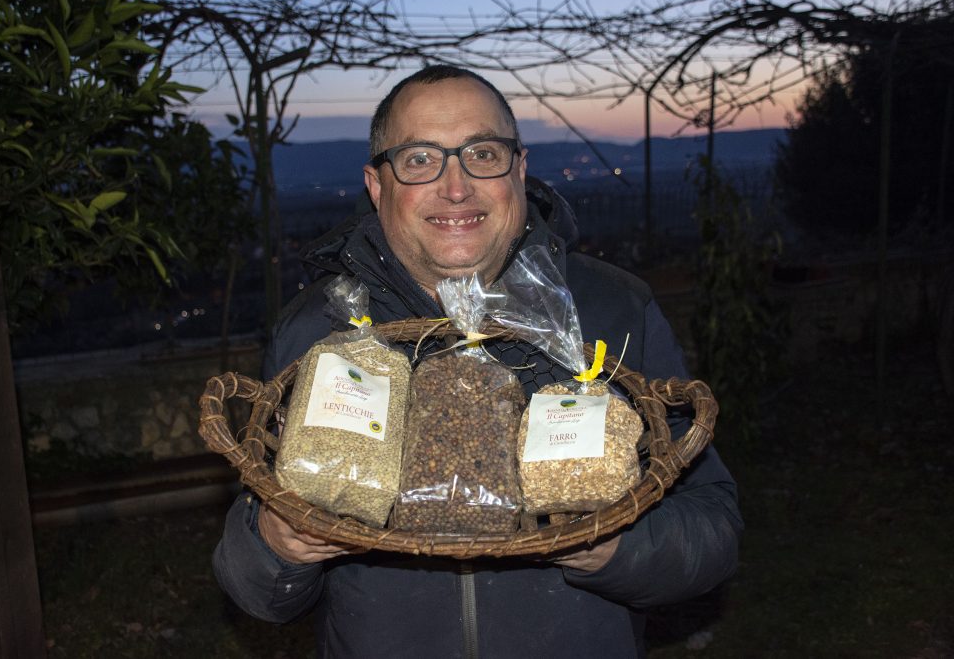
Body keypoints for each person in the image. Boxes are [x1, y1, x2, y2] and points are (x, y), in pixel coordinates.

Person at [213, 65, 742, 658]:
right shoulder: (320, 333)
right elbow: (255, 589)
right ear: (377, 185)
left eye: (481, 153)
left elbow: (712, 531)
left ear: (518, 169)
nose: (456, 186)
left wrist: (615, 547)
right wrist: (277, 544)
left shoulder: (612, 311)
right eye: (419, 160)